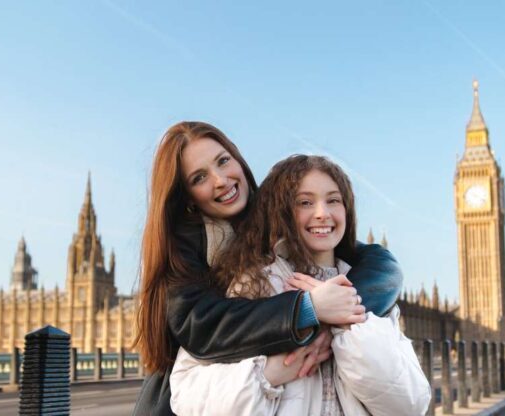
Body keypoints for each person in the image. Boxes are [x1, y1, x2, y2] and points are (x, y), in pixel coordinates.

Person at [133, 122, 405, 415]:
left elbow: (381, 266)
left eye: (223, 161)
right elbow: (202, 327)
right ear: (186, 196)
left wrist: (339, 312)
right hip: (183, 399)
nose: (221, 180)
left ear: (238, 158)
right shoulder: (184, 244)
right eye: (200, 177)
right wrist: (307, 309)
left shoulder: (275, 214)